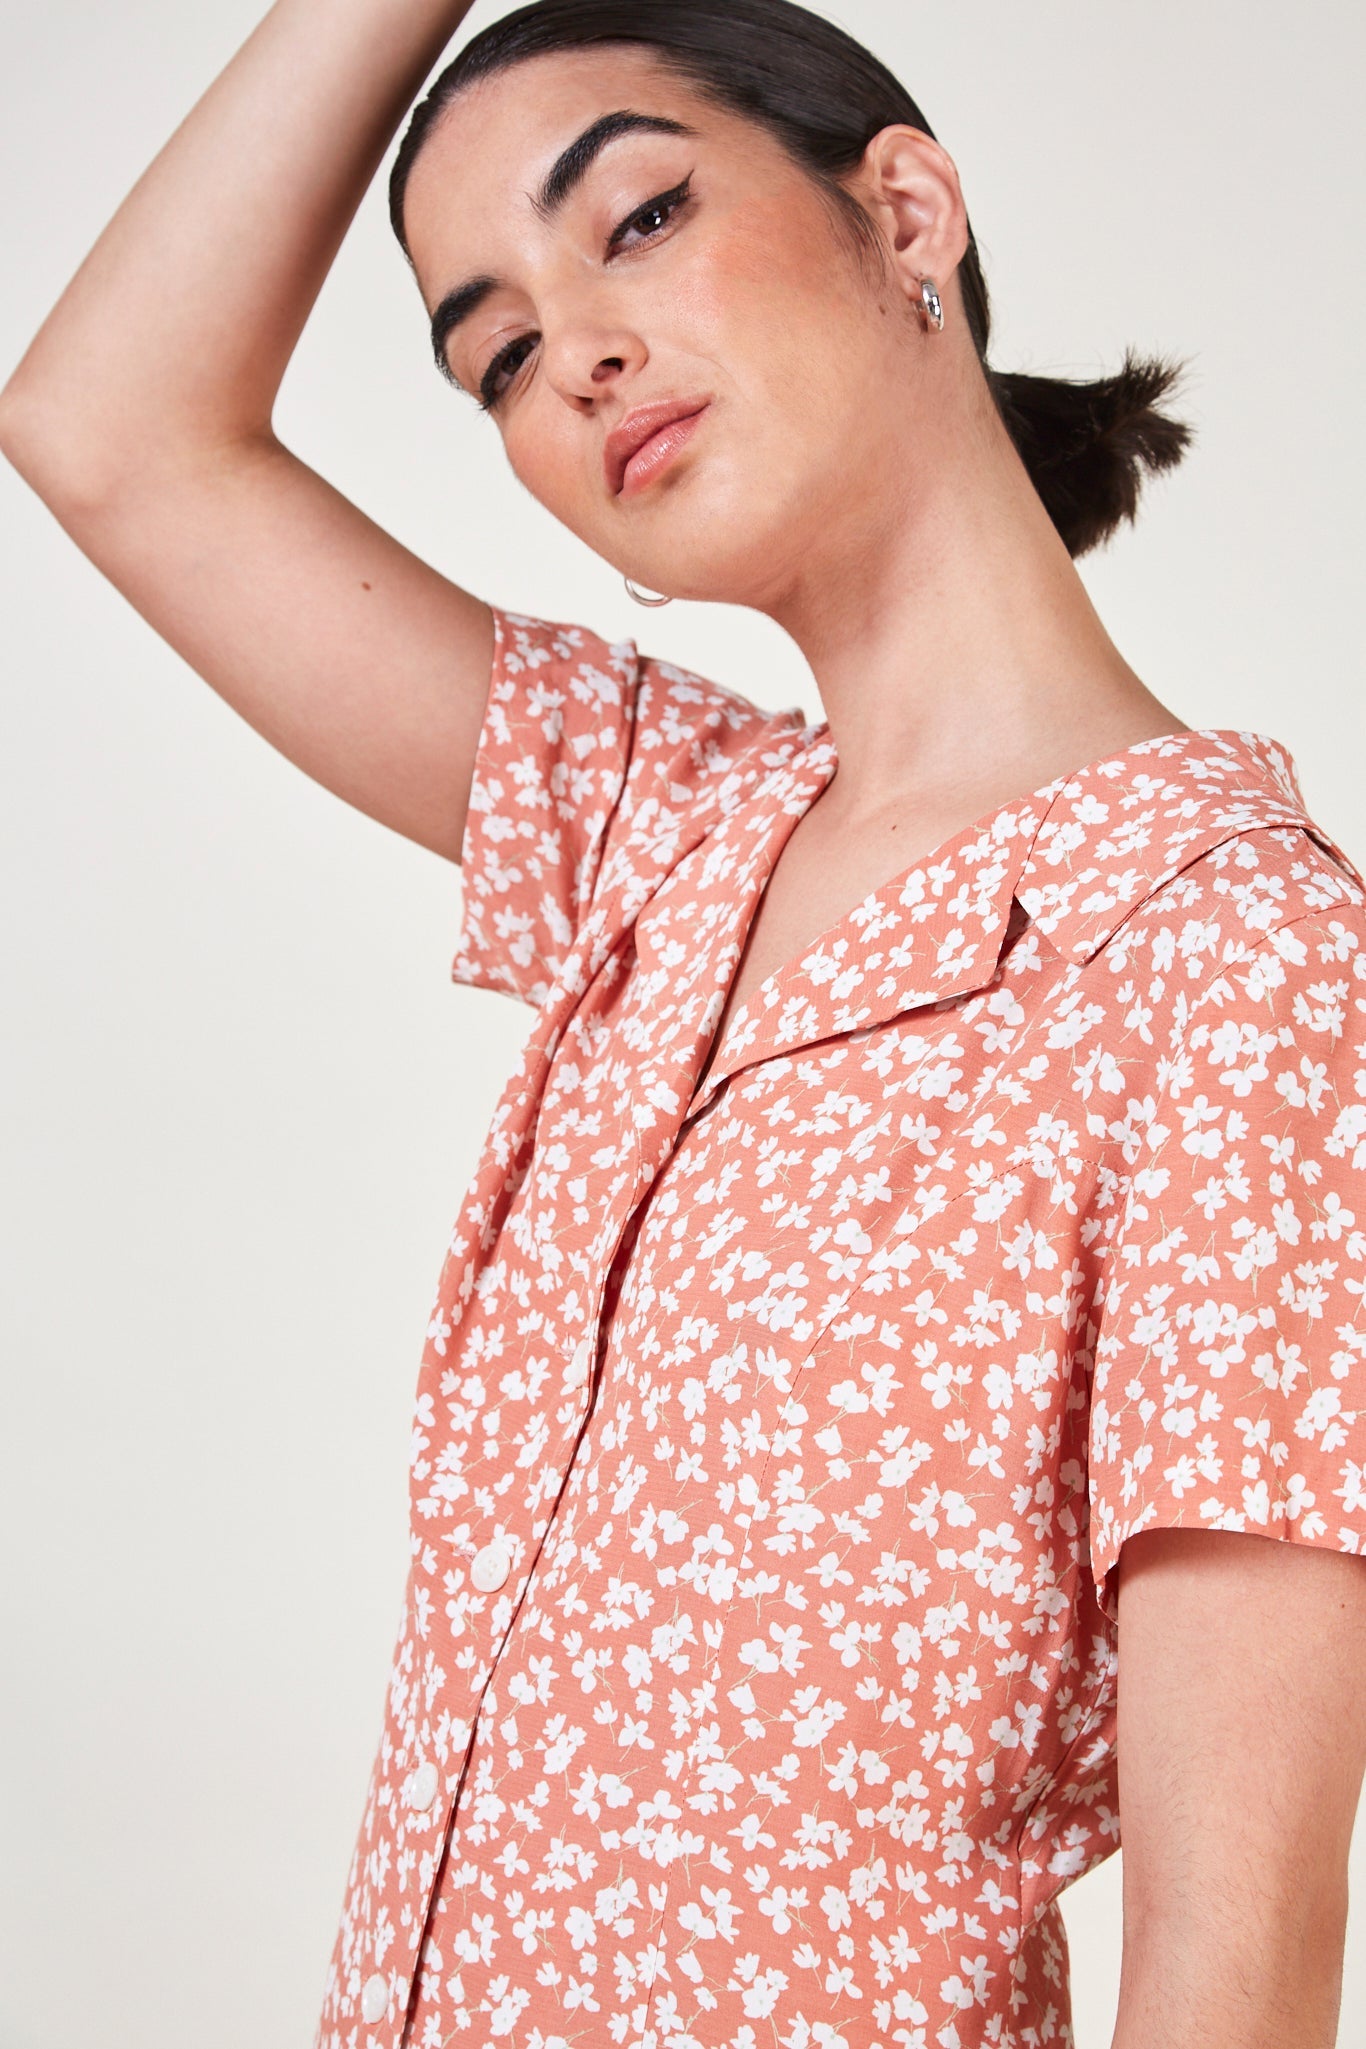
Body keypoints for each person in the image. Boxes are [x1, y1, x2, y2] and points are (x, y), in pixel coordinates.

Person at [3, 0, 1365, 2042]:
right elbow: (104, 429)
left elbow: (1231, 1956)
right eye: (495, 354)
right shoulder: (657, 828)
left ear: (902, 211)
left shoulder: (1238, 964)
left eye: (637, 218)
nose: (573, 354)